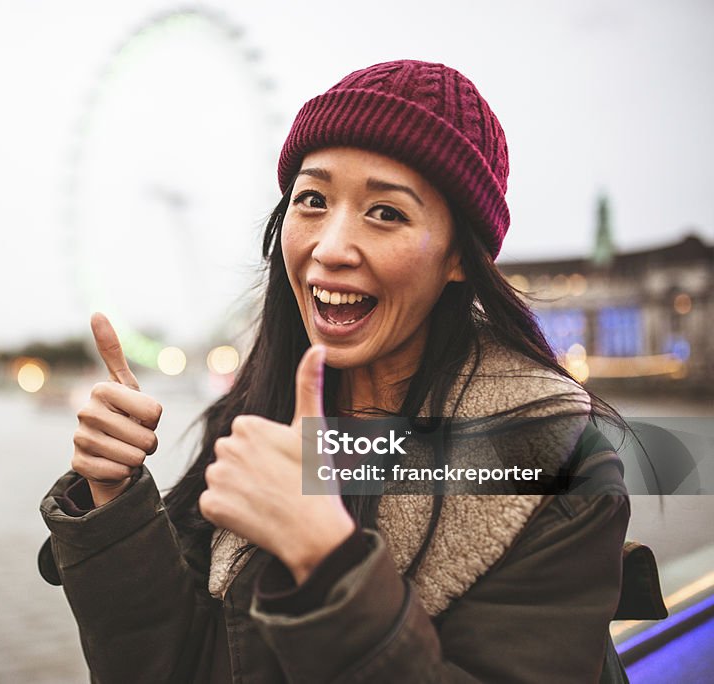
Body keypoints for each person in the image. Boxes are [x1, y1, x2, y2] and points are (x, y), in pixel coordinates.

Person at [38, 60, 636, 682]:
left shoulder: (559, 464)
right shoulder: (253, 415)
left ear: (460, 257)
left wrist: (329, 567)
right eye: (313, 201)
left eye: (386, 213)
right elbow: (170, 665)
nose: (330, 248)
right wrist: (115, 496)